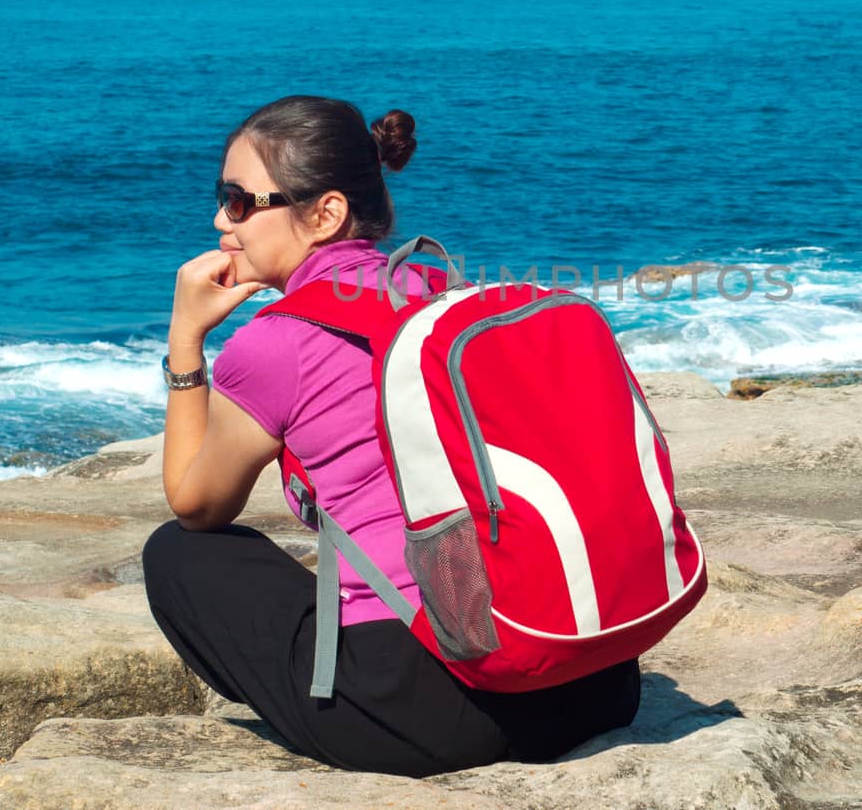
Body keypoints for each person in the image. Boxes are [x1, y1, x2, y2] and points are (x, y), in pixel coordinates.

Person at [142, 94, 641, 777]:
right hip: (592, 683)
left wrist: (185, 337)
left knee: (177, 554)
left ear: (325, 213)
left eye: (237, 200)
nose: (218, 220)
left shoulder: (277, 342)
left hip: (435, 712)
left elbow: (196, 501)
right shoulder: (445, 288)